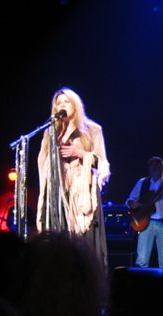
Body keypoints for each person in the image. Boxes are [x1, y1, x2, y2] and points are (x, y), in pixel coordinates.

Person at [35, 87, 111, 303]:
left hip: (83, 198)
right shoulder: (50, 133)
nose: (61, 106)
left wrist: (81, 154)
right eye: (58, 103)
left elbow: (103, 164)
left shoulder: (92, 130)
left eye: (65, 102)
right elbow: (42, 163)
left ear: (75, 105)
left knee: (83, 247)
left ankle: (90, 295)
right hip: (59, 195)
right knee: (59, 247)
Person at [125, 156, 163, 268]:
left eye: (158, 165)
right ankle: (142, 278)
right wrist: (133, 203)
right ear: (149, 169)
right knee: (142, 259)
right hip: (145, 222)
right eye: (153, 165)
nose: (155, 168)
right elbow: (129, 200)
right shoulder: (142, 182)